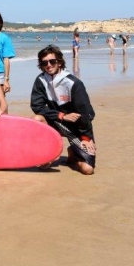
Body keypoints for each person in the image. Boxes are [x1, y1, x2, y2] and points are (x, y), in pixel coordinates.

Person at [31, 45, 96, 175]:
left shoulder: (73, 83)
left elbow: (84, 113)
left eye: (52, 61)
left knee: (87, 170)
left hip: (77, 127)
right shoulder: (40, 80)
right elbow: (37, 106)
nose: (48, 65)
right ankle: (48, 153)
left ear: (59, 62)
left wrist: (86, 137)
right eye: (44, 63)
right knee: (37, 119)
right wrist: (60, 115)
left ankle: (73, 153)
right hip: (57, 121)